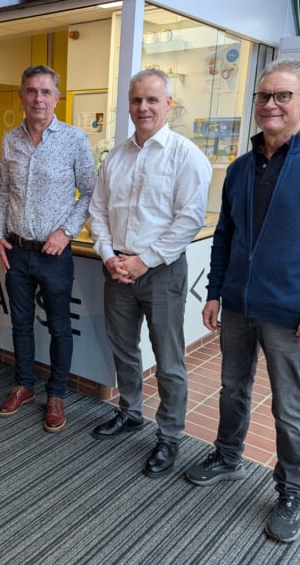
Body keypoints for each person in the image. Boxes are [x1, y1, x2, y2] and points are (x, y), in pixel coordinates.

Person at [182, 58, 300, 543]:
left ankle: (293, 491)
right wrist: (214, 291)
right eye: (264, 96)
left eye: (283, 96)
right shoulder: (241, 168)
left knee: (289, 406)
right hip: (239, 304)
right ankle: (227, 457)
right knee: (232, 389)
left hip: (291, 311)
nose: (271, 104)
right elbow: (226, 235)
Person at [88, 69, 212, 477]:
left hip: (161, 272)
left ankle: (170, 436)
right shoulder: (116, 157)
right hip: (117, 270)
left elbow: (188, 220)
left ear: (168, 105)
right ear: (129, 104)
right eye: (137, 100)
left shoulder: (186, 156)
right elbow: (97, 211)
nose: (143, 107)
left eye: (152, 100)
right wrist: (108, 255)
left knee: (169, 360)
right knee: (124, 349)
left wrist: (145, 260)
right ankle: (130, 413)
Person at [0, 65, 95, 432]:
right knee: (20, 324)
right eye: (32, 91)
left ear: (57, 98)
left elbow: (90, 192)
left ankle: (56, 395)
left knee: (59, 327)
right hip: (17, 251)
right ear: (21, 96)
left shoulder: (75, 139)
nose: (38, 98)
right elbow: (5, 192)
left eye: (45, 91)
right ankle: (24, 385)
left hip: (54, 255)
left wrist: (66, 232)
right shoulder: (10, 140)